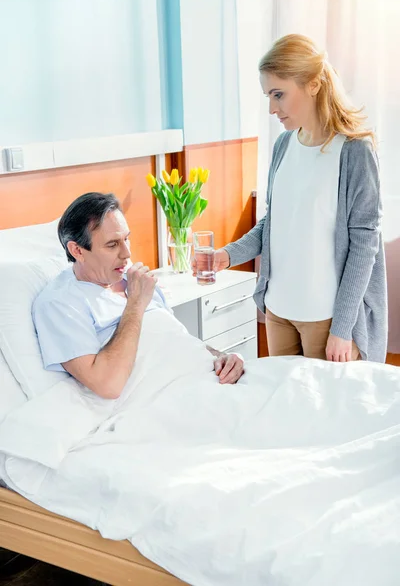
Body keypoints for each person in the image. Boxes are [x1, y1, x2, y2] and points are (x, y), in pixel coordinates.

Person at [194, 34, 387, 363]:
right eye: (269, 96)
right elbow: (274, 222)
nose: (272, 108)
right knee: (286, 411)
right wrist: (226, 255)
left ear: (313, 84)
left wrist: (343, 329)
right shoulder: (283, 146)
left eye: (278, 94)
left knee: (328, 412)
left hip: (326, 319)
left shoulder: (354, 151)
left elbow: (364, 245)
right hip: (278, 311)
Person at [32, 193, 244, 399]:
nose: (126, 254)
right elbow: (108, 386)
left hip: (205, 378)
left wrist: (220, 357)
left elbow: (175, 337)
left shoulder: (133, 278)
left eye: (126, 239)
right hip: (164, 396)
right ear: (77, 251)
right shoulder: (60, 303)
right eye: (112, 244)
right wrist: (135, 303)